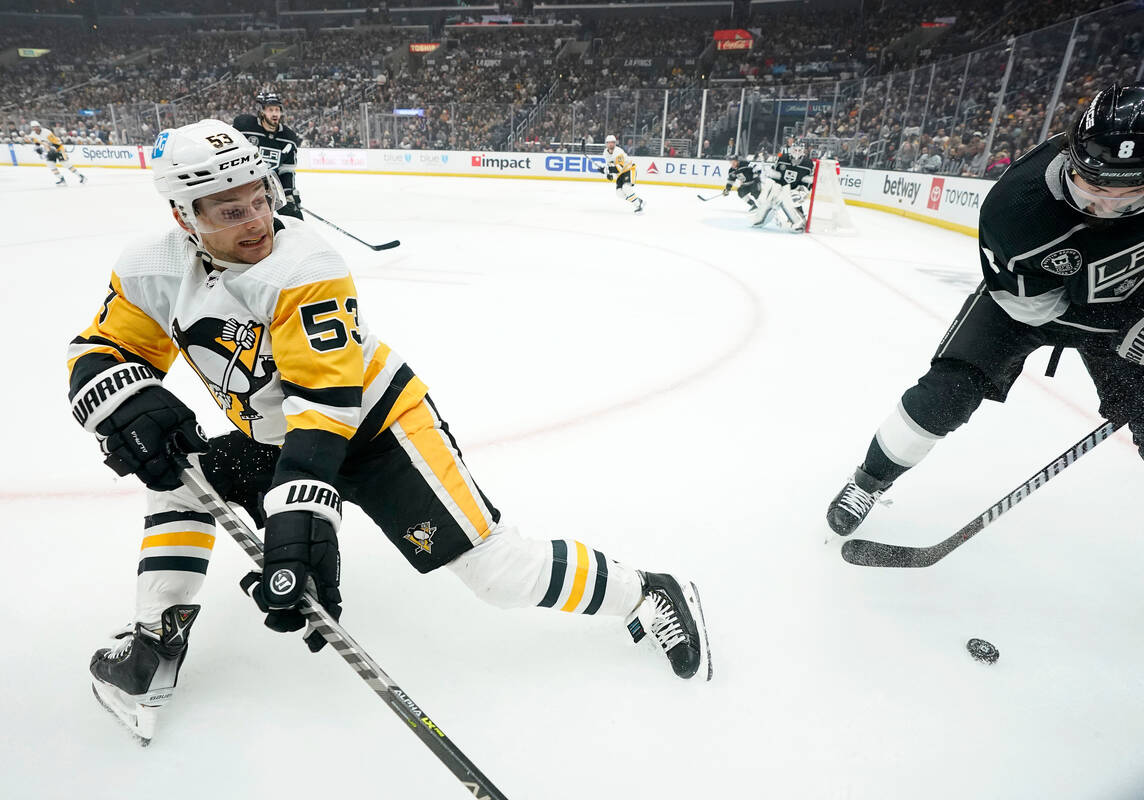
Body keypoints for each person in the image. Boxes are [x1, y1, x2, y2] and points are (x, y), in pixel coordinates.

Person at [70, 120, 711, 743]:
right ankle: (157, 642)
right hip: (278, 437)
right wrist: (122, 400)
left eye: (260, 199)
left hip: (379, 429)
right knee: (180, 480)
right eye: (229, 211)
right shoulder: (150, 266)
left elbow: (325, 407)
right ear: (184, 216)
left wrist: (300, 521)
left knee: (499, 574)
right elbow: (102, 347)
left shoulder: (303, 266)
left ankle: (645, 592)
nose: (258, 221)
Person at [826, 81, 1144, 608]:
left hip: (1141, 298)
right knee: (944, 395)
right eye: (1091, 186)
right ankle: (870, 479)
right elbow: (1034, 309)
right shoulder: (1018, 208)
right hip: (1029, 305)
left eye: (1122, 197)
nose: (1098, 204)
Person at [233, 91, 302, 219]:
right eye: (270, 110)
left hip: (270, 188)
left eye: (277, 110)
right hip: (242, 186)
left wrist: (289, 194)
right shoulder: (244, 127)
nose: (275, 113)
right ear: (262, 112)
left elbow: (286, 170)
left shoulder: (288, 138)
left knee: (296, 219)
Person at [26, 120, 85, 186]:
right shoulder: (33, 134)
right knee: (50, 164)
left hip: (58, 148)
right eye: (34, 127)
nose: (35, 128)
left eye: (37, 127)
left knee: (65, 164)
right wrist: (37, 149)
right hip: (49, 150)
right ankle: (61, 179)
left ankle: (81, 176)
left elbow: (56, 142)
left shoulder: (47, 132)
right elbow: (37, 142)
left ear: (39, 126)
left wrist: (53, 149)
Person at [603, 134, 644, 214]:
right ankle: (638, 200)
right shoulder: (605, 153)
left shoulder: (618, 152)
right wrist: (608, 174)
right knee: (619, 193)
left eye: (612, 142)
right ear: (606, 144)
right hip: (620, 174)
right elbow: (610, 165)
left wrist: (607, 170)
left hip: (629, 170)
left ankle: (638, 206)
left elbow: (619, 168)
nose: (611, 144)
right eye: (609, 142)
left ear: (615, 143)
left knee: (626, 188)